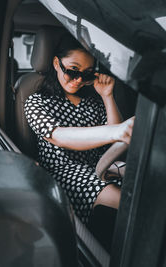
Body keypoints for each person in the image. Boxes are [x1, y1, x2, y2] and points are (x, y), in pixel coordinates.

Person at [24, 34, 134, 250]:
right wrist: (117, 131)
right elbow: (59, 136)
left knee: (147, 185)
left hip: (102, 164)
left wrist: (107, 96)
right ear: (56, 63)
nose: (77, 80)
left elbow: (114, 147)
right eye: (73, 71)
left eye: (86, 75)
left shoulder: (91, 103)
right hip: (62, 171)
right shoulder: (36, 101)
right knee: (125, 201)